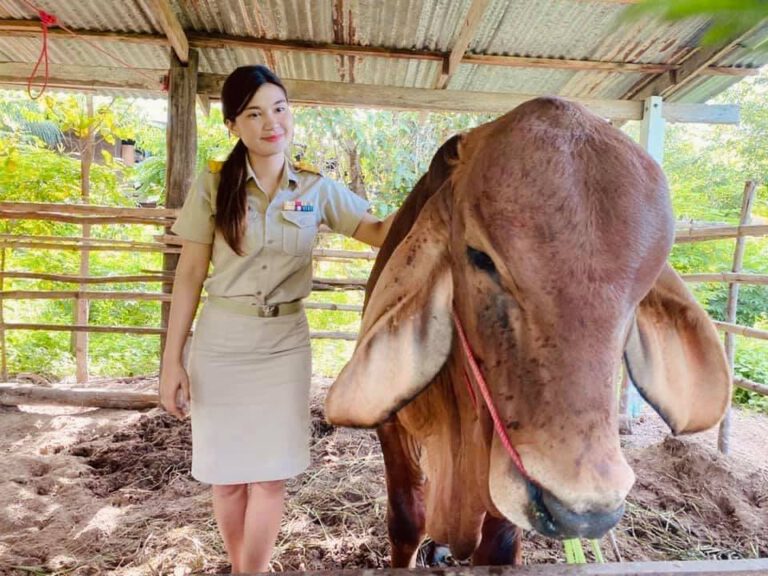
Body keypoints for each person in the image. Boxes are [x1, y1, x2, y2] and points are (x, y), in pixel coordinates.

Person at [159, 65, 395, 573]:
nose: (272, 123)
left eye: (280, 108)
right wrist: (171, 362)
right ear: (233, 126)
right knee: (227, 477)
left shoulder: (314, 188)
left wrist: (437, 190)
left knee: (269, 477)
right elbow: (190, 275)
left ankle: (252, 571)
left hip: (285, 344)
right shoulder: (213, 185)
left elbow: (378, 231)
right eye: (255, 113)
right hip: (222, 342)